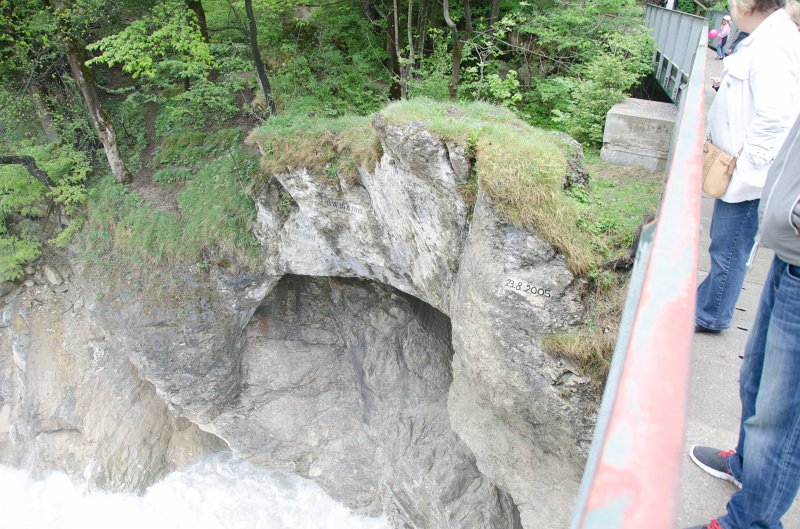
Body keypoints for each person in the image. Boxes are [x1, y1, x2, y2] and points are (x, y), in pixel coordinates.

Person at [685, 113, 800, 529]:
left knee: (783, 415)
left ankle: (749, 523)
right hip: (787, 256)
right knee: (754, 375)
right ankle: (748, 466)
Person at [695, 0, 800, 334]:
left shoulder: (774, 45)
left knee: (730, 246)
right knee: (725, 243)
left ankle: (710, 315)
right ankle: (708, 304)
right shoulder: (767, 37)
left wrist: (746, 167)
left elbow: (776, 116)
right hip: (741, 168)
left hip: (748, 176)